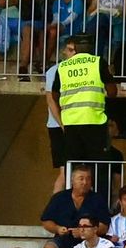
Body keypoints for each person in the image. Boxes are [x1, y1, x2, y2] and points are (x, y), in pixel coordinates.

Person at [50, 34, 118, 165]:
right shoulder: (98, 62)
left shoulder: (63, 67)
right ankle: (97, 186)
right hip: (94, 121)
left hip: (71, 122)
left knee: (74, 166)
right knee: (98, 165)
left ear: (75, 48)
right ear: (92, 47)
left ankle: (75, 186)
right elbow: (112, 92)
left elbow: (54, 95)